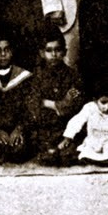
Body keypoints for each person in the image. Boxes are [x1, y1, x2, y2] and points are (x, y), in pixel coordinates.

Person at [28, 31, 84, 164]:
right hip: (44, 128)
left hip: (65, 127)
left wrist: (46, 102)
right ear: (42, 53)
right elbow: (33, 102)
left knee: (68, 157)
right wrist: (60, 103)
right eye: (49, 51)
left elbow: (73, 104)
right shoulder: (36, 77)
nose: (54, 55)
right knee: (47, 156)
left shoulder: (73, 76)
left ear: (64, 52)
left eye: (58, 50)